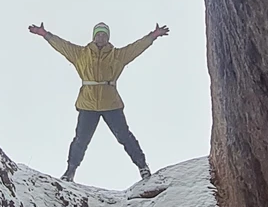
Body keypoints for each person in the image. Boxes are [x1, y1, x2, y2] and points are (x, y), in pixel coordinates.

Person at [28, 19, 169, 182]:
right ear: (93, 37)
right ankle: (70, 171)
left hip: (111, 104)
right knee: (81, 139)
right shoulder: (80, 54)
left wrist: (153, 36)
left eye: (104, 34)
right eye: (98, 34)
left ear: (108, 38)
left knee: (124, 136)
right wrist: (45, 34)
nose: (101, 37)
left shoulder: (118, 55)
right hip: (87, 104)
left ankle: (142, 167)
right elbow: (62, 45)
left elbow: (136, 48)